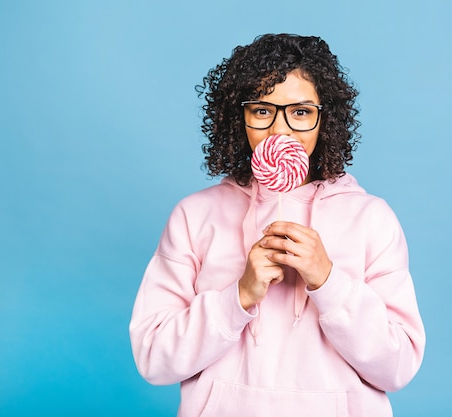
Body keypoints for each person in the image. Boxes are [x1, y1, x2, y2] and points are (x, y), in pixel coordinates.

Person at [129, 33, 425, 417]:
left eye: (300, 112)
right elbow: (154, 358)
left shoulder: (371, 219)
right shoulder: (194, 216)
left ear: (326, 118)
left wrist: (328, 281)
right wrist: (239, 296)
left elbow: (398, 367)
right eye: (262, 111)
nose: (280, 131)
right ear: (239, 118)